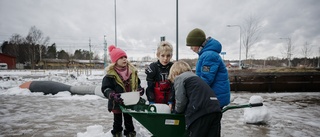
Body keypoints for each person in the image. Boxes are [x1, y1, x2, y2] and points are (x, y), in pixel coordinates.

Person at [168, 61, 222, 137]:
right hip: (215, 109)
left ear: (174, 73)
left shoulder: (180, 78)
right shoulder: (196, 78)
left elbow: (181, 101)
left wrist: (176, 112)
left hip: (200, 112)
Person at [101, 45, 144, 137]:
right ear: (115, 61)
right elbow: (105, 88)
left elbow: (137, 83)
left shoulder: (132, 72)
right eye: (121, 57)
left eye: (125, 57)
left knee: (129, 119)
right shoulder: (110, 75)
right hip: (116, 101)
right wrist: (112, 94)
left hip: (129, 101)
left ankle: (130, 133)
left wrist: (139, 89)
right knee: (117, 120)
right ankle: (117, 133)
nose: (124, 59)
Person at [186, 28, 230, 108]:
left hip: (215, 98)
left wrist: (193, 91)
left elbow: (206, 79)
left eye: (192, 45)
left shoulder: (209, 55)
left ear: (198, 43)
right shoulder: (206, 54)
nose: (191, 48)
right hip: (214, 96)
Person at [145, 41, 174, 109]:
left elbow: (174, 87)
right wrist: (151, 102)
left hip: (170, 101)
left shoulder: (173, 67)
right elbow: (150, 87)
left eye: (168, 56)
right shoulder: (153, 67)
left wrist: (171, 101)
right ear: (158, 55)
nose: (165, 58)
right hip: (156, 100)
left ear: (171, 56)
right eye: (163, 55)